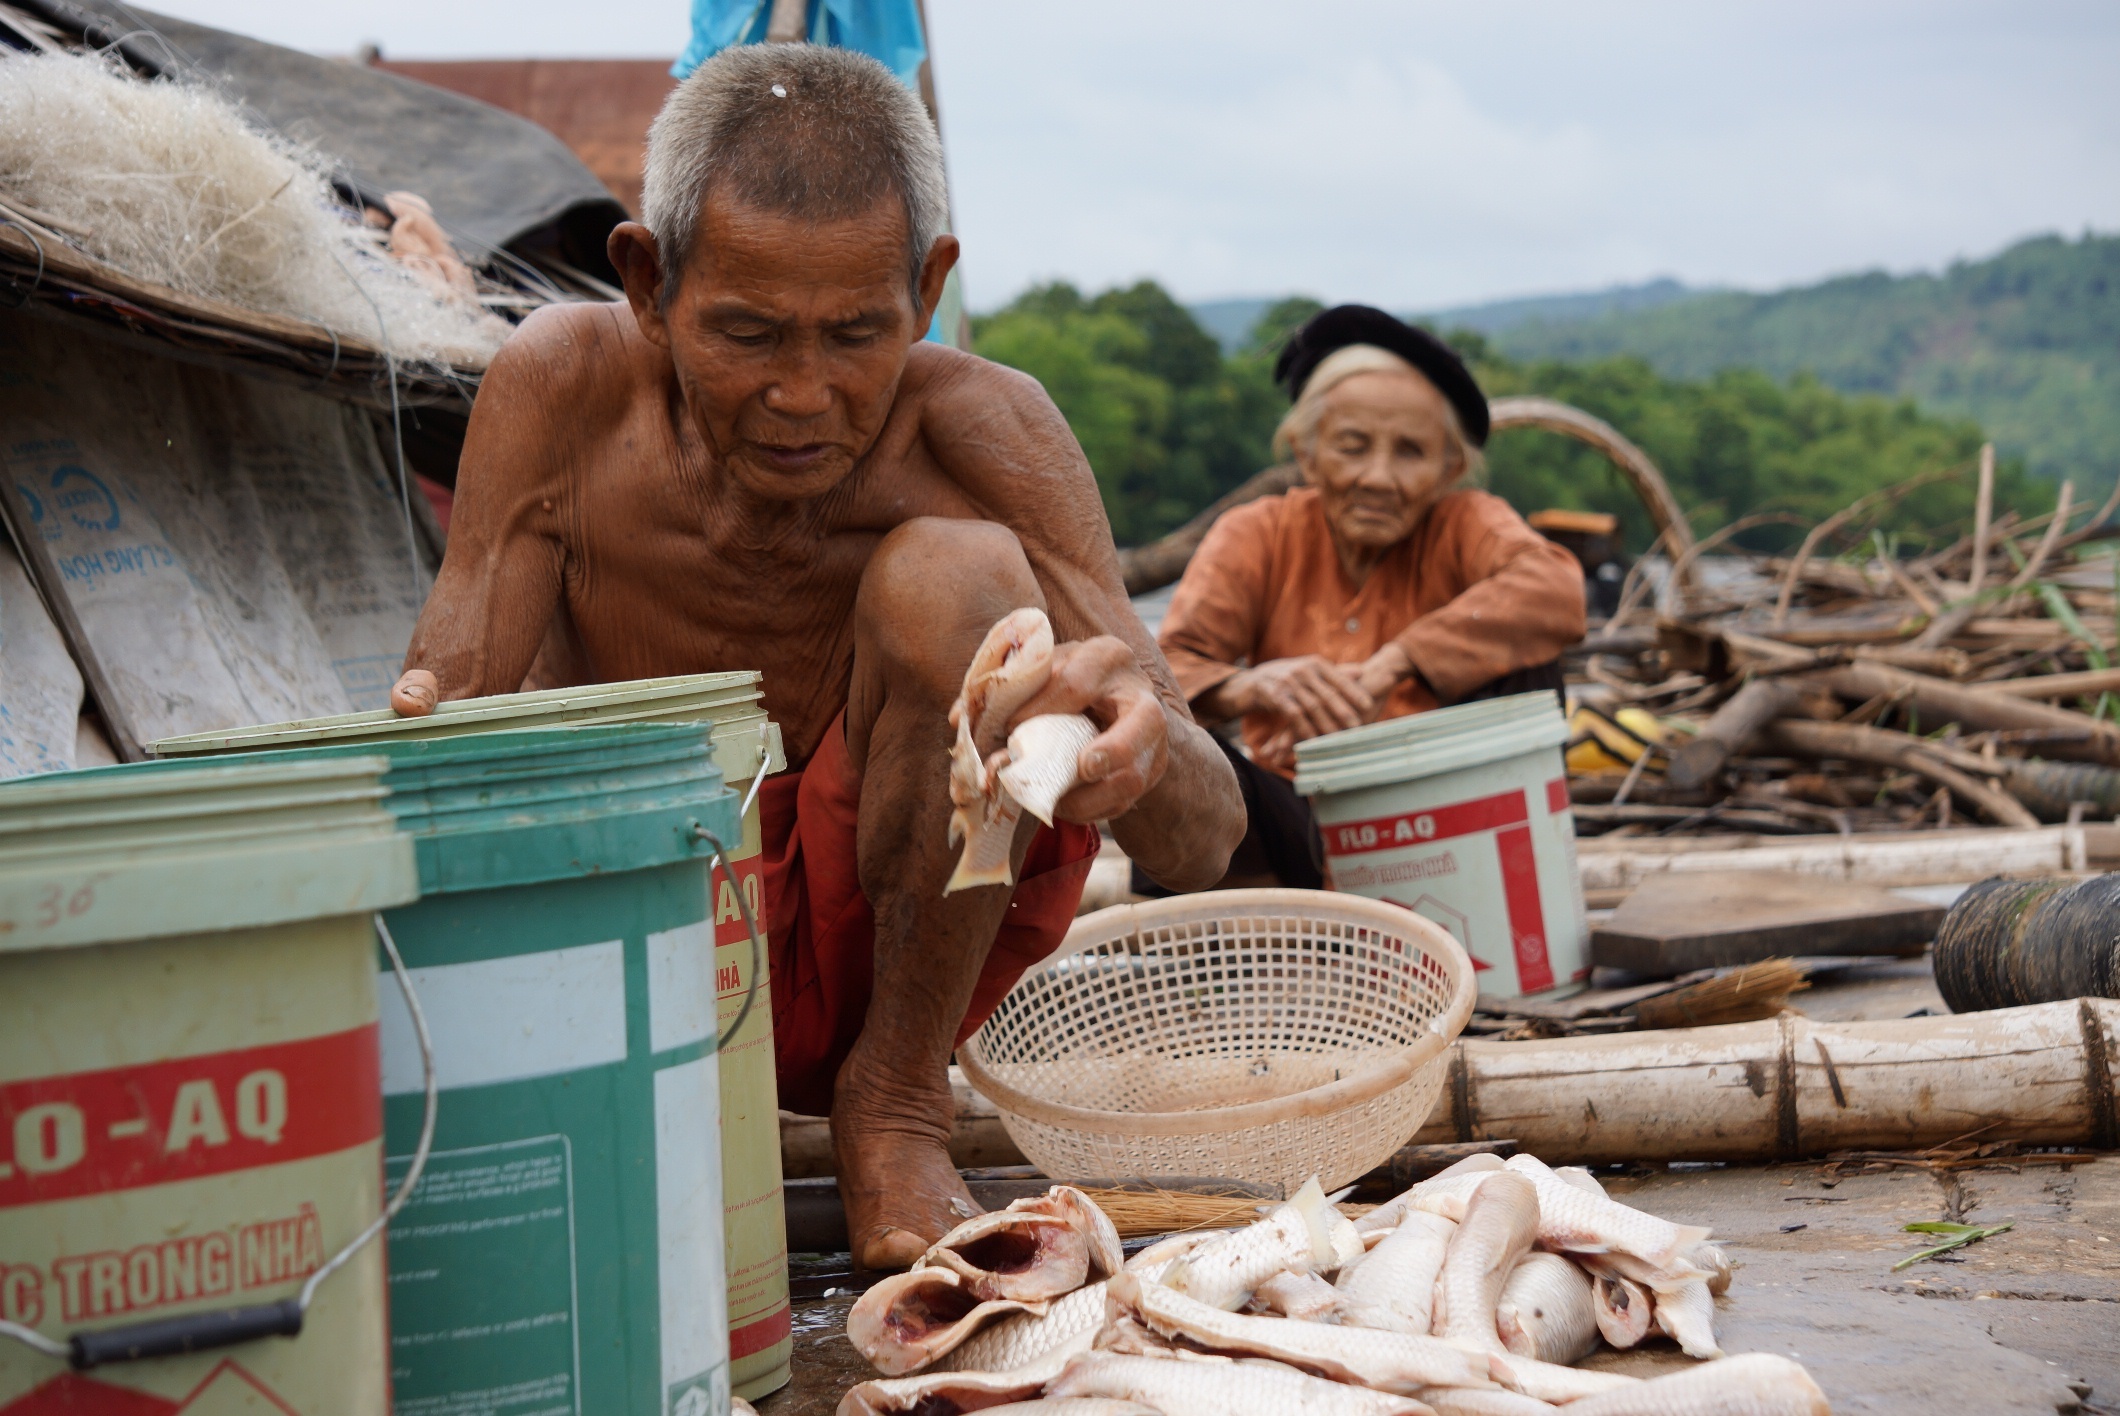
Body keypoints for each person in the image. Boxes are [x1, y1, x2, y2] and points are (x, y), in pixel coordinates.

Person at [386, 44, 1244, 1269]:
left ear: (929, 290)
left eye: (854, 335)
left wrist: (1133, 744)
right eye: (745, 333)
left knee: (959, 577)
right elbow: (446, 726)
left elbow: (1202, 841)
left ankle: (893, 1108)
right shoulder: (563, 387)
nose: (802, 395)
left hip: (902, 939)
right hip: (653, 917)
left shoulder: (982, 430)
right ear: (646, 283)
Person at [1151, 306, 1586, 891]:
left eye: (1410, 452)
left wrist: (1395, 664)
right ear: (1307, 455)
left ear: (1447, 468)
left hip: (1450, 823)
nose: (1379, 477)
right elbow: (1162, 673)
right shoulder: (1257, 533)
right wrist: (1253, 686)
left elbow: (1555, 587)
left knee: (1533, 655)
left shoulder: (1465, 523)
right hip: (1298, 819)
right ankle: (1256, 944)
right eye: (1352, 447)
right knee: (1167, 755)